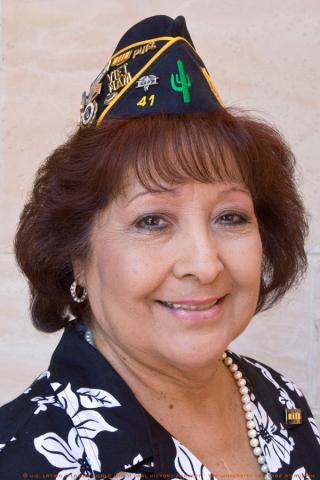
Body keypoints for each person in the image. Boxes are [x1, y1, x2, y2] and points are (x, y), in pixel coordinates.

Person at [0, 14, 319, 480]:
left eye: (230, 217)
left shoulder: (281, 399)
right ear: (76, 258)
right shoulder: (24, 459)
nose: (205, 264)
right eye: (152, 221)